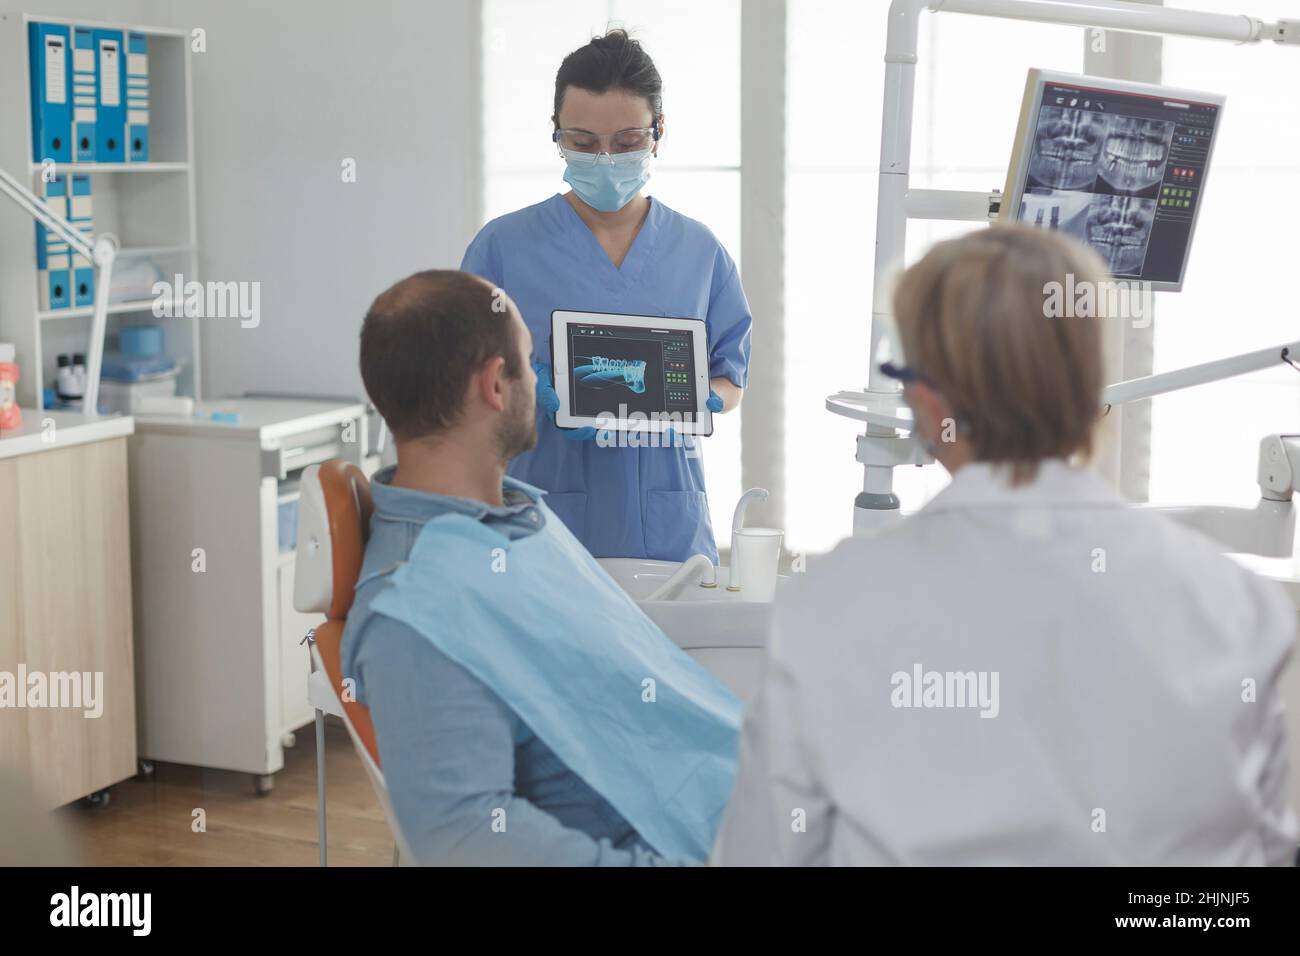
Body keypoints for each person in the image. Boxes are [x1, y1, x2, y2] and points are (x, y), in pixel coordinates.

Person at [716, 225, 1297, 865]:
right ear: (1094, 393)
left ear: (928, 400)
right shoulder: (1240, 606)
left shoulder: (828, 606)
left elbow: (762, 854)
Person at [342, 270, 741, 866]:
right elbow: (463, 836)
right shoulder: (414, 608)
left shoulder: (517, 517)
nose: (539, 382)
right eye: (530, 364)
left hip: (749, 793)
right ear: (495, 386)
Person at [460, 28, 752, 563]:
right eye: (583, 142)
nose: (605, 158)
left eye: (627, 142)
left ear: (658, 132)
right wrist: (531, 388)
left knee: (672, 640)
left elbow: (730, 376)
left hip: (666, 522)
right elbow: (467, 383)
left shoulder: (699, 251)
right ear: (557, 134)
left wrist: (703, 399)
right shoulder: (503, 248)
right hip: (547, 514)